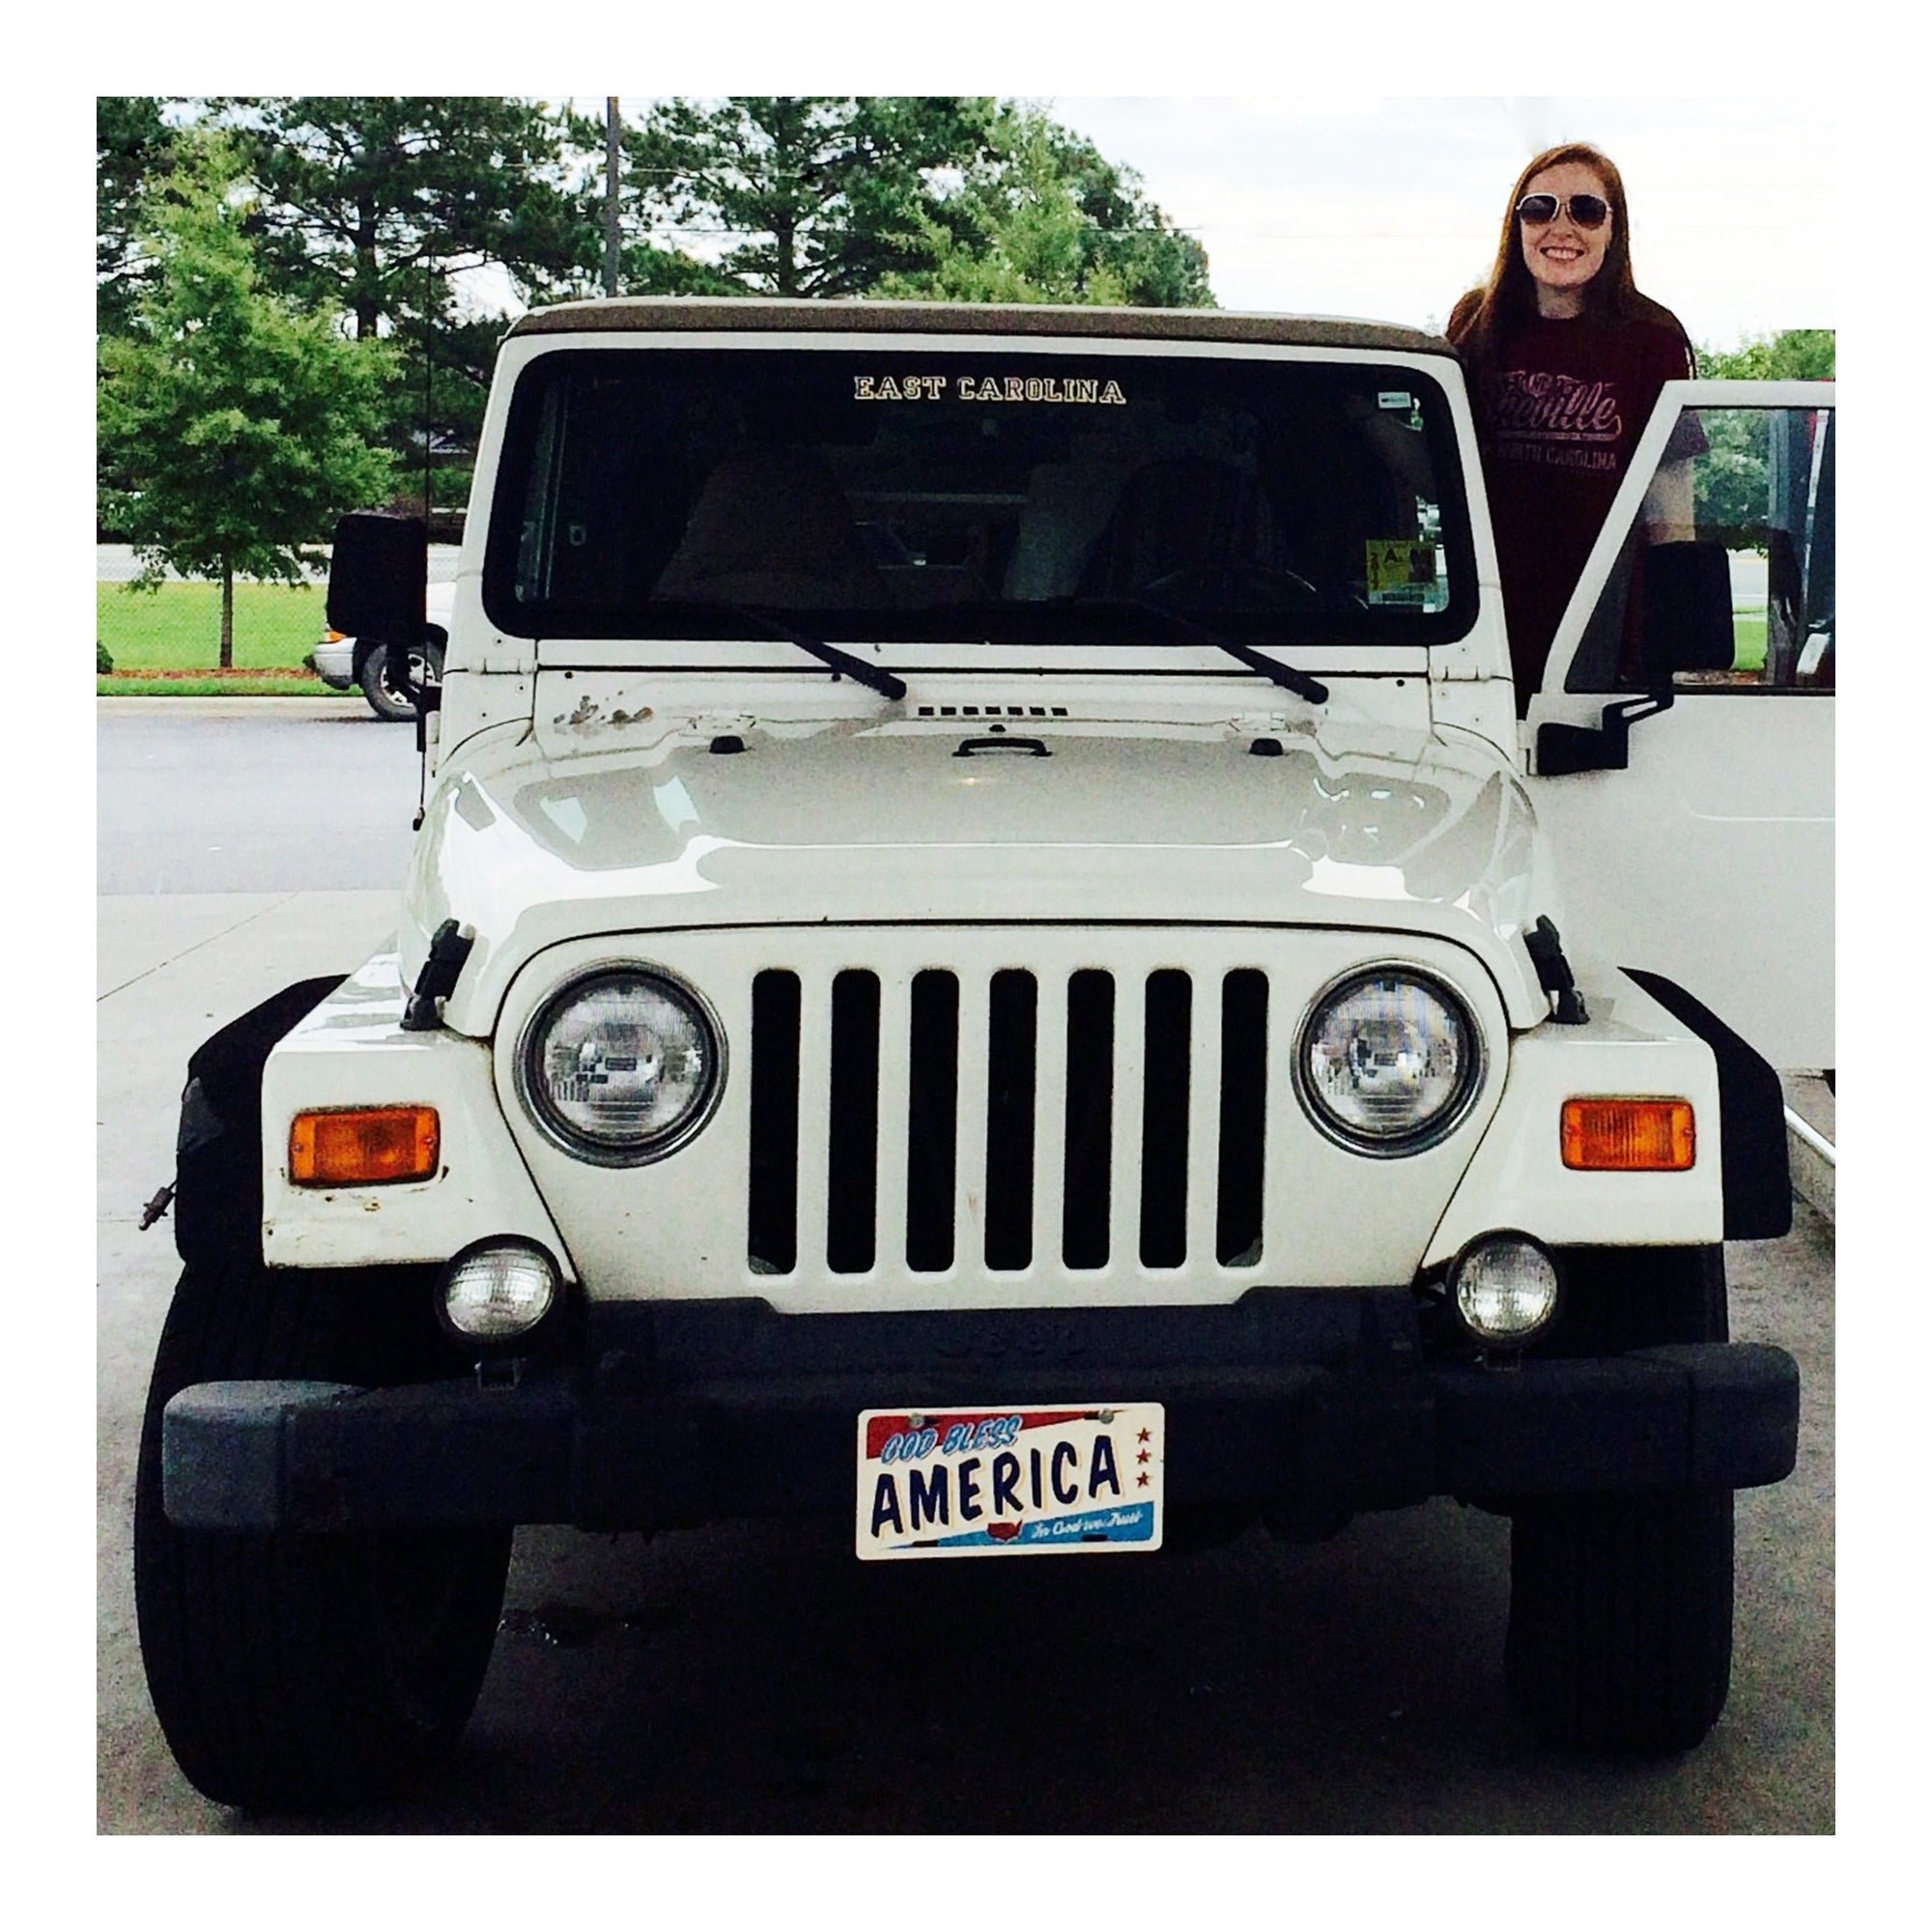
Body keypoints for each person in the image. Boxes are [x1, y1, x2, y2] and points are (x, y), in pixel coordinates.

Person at [1447, 143, 1700, 711]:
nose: (1561, 227)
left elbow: (1671, 509)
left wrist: (1678, 648)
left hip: (1604, 646)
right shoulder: (1476, 324)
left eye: (1586, 210)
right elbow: (1437, 467)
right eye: (1540, 209)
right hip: (1478, 632)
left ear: (1614, 230)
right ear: (1517, 226)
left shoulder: (1652, 339)